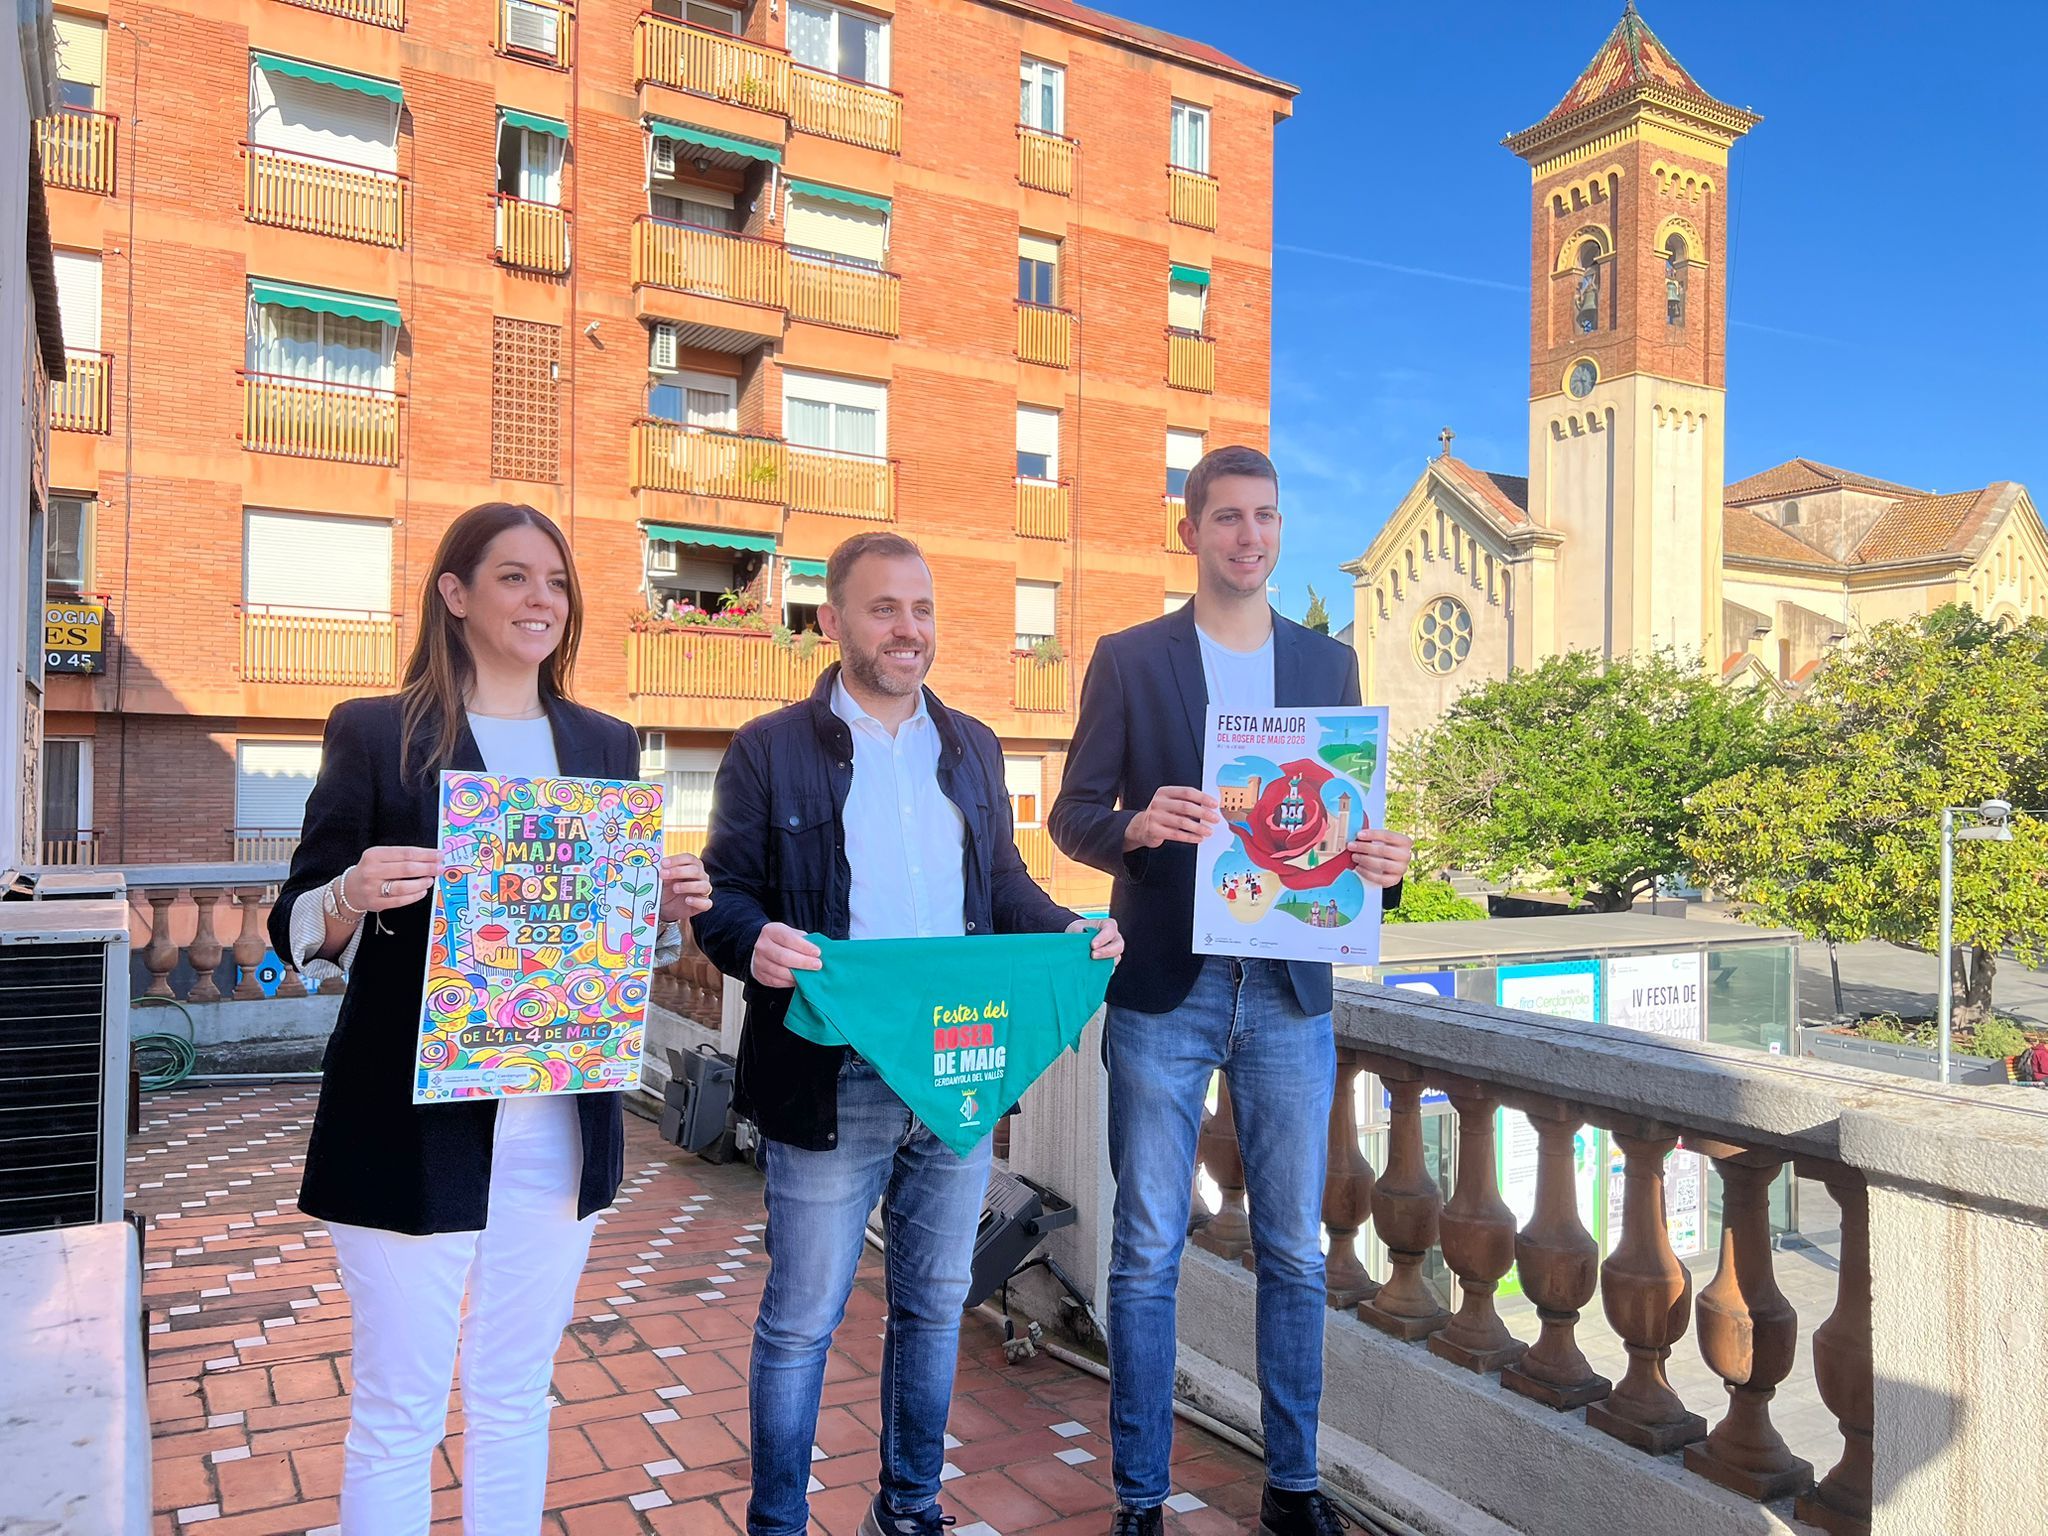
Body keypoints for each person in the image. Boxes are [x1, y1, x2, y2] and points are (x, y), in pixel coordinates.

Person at [267, 502, 712, 1536]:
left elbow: (598, 936)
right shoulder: (378, 732)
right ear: (455, 595)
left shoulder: (601, 740)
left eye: (554, 582)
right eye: (512, 577)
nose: (540, 600)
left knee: (515, 1391)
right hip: (407, 1117)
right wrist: (349, 892)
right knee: (398, 1409)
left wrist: (656, 904)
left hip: (561, 1119)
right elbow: (289, 927)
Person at [692, 530, 1123, 1536]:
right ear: (833, 621)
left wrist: (1068, 928)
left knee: (934, 1310)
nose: (908, 629)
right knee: (800, 1322)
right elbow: (723, 898)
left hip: (958, 1072)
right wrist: (748, 939)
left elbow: (1003, 886)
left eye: (921, 609)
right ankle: (778, 1523)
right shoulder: (766, 750)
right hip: (828, 1072)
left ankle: (910, 1512)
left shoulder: (969, 745)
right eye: (884, 609)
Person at [1050, 446, 1415, 1536]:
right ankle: (1139, 1498)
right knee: (1147, 1250)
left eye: (1264, 518)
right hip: (1168, 986)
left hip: (1290, 992)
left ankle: (1292, 1487)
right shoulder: (1129, 657)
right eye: (1226, 519)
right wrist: (1133, 827)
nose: (1247, 537)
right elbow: (1072, 813)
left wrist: (1377, 869)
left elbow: (1339, 820)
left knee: (1293, 1253)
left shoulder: (1327, 664)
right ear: (1190, 533)